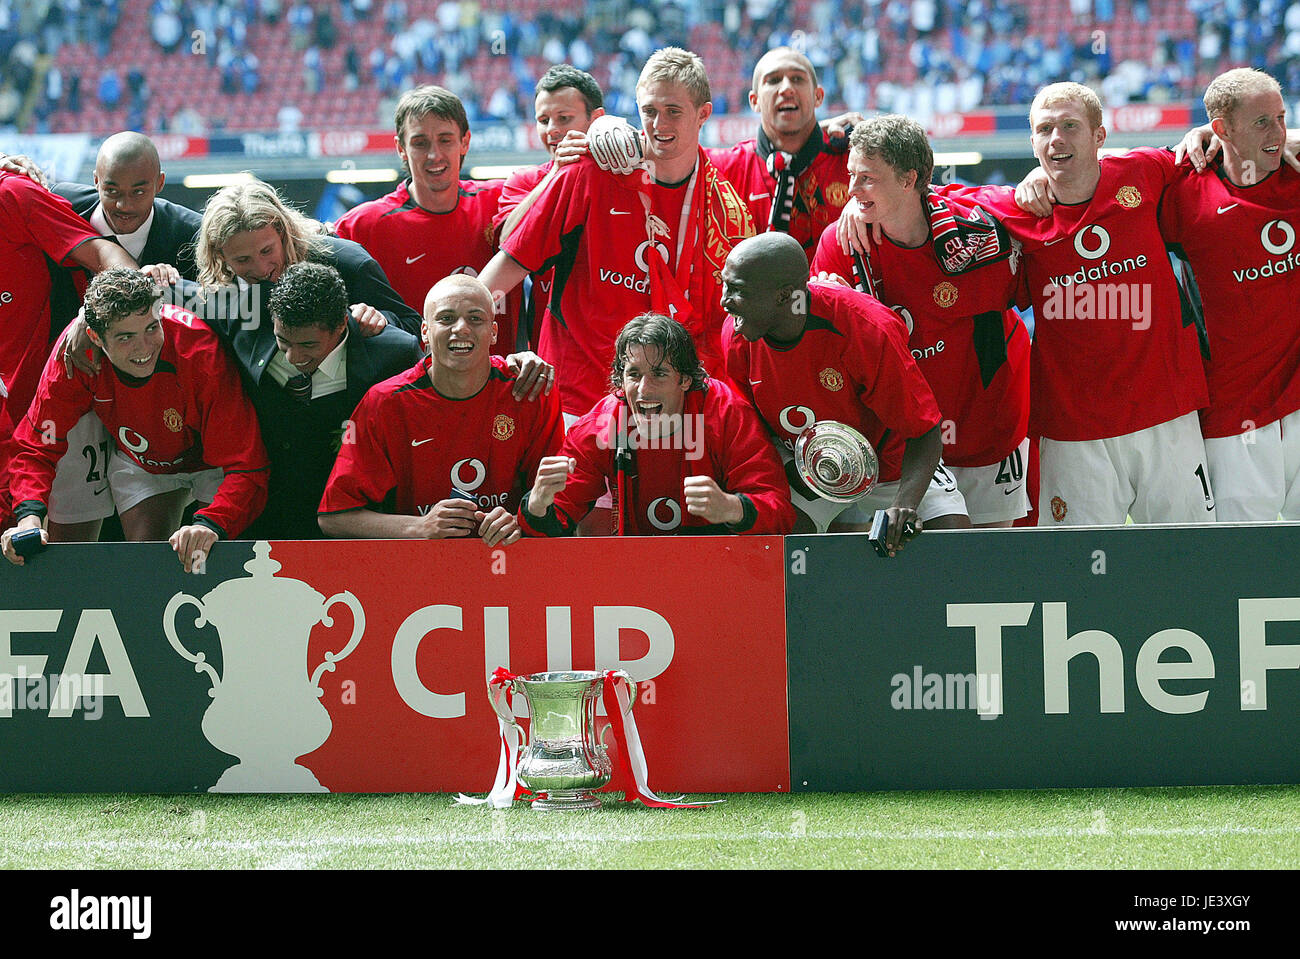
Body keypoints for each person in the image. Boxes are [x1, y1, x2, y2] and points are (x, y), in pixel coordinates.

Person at [958, 82, 1214, 526]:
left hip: (1165, 412)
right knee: (1077, 575)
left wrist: (1258, 136)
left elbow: (1214, 152)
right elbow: (936, 197)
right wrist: (855, 208)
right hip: (1073, 430)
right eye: (1045, 129)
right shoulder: (1014, 213)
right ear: (1033, 143)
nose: (1056, 138)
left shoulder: (1143, 171)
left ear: (1100, 136)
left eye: (1070, 126)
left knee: (1187, 560)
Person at [480, 47, 756, 421]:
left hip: (669, 408)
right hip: (577, 398)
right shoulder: (591, 172)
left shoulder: (727, 209)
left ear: (703, 113)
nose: (659, 124)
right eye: (649, 111)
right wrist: (459, 330)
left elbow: (727, 326)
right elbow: (509, 264)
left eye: (673, 111)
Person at [809, 115, 1031, 528]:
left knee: (989, 568)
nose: (850, 190)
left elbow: (1020, 208)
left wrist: (1037, 181)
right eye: (851, 175)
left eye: (867, 178)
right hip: (901, 446)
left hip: (987, 431)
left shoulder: (978, 231)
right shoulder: (841, 244)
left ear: (909, 180)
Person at [3, 269, 269, 571]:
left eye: (151, 329)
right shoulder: (74, 356)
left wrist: (212, 524)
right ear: (94, 336)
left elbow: (247, 466)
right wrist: (28, 518)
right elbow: (35, 446)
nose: (143, 347)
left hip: (215, 465)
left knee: (214, 566)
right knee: (148, 566)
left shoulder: (199, 352)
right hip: (145, 462)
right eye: (125, 337)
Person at [721, 233, 959, 552]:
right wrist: (789, 472)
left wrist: (904, 507)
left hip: (890, 464)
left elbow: (925, 431)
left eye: (738, 290)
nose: (724, 299)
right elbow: (749, 428)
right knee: (771, 543)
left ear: (782, 296)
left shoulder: (865, 328)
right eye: (726, 285)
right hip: (804, 466)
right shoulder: (739, 333)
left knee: (954, 545)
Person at [319, 275, 563, 543]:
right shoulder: (384, 403)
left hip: (509, 562)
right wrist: (419, 527)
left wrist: (519, 522)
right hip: (418, 571)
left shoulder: (529, 392)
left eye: (475, 319)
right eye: (446, 318)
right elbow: (335, 517)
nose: (461, 329)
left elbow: (560, 502)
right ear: (424, 331)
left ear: (494, 332)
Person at [1158, 69, 1300, 521]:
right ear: (1222, 129)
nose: (1277, 132)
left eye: (1282, 118)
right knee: (1246, 563)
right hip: (1232, 414)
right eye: (1262, 122)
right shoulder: (1183, 193)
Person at [519, 312, 794, 537]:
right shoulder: (603, 424)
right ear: (620, 380)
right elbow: (551, 521)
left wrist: (732, 508)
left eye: (659, 373)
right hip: (639, 572)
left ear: (686, 380)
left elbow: (780, 512)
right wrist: (538, 504)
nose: (643, 390)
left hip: (721, 567)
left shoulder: (727, 415)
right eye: (633, 374)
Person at [334, 85, 521, 352]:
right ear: (400, 148)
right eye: (420, 143)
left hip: (494, 386)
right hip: (407, 387)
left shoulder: (502, 200)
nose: (434, 155)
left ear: (465, 141)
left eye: (445, 140)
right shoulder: (362, 226)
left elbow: (560, 180)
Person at [0, 170, 139, 530]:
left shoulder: (14, 195)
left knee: (70, 564)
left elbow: (112, 258)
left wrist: (90, 317)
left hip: (53, 407)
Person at [703, 47, 855, 255]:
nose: (786, 88)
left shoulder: (854, 161)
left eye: (797, 79)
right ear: (754, 101)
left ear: (818, 96)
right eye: (773, 80)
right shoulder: (720, 170)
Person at [494, 65, 606, 346]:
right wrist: (557, 174)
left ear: (597, 120)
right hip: (551, 352)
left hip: (612, 338)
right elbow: (510, 241)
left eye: (564, 118)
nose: (552, 130)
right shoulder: (524, 180)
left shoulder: (621, 179)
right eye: (543, 120)